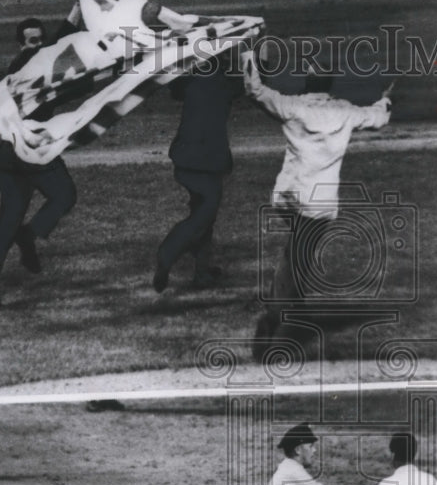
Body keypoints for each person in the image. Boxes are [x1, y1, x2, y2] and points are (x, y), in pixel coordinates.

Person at [240, 48, 394, 353]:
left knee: (295, 255)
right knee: (297, 264)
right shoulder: (346, 111)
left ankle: (294, 313)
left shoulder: (293, 107)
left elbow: (254, 90)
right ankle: (275, 329)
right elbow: (378, 118)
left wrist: (249, 57)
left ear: (307, 84)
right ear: (330, 85)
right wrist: (386, 99)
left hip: (286, 198)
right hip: (318, 205)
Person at [0, 3, 82, 309]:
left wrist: (76, 11)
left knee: (59, 199)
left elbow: (61, 44)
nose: (37, 46)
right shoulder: (24, 67)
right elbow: (62, 45)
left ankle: (22, 242)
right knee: (17, 219)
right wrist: (74, 16)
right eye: (32, 41)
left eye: (40, 40)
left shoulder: (39, 65)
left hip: (21, 155)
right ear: (22, 44)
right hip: (22, 157)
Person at [153, 50, 243, 293]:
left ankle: (202, 272)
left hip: (184, 157)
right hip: (208, 160)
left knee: (204, 213)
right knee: (204, 214)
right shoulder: (226, 82)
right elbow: (256, 84)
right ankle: (168, 253)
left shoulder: (190, 80)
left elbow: (173, 86)